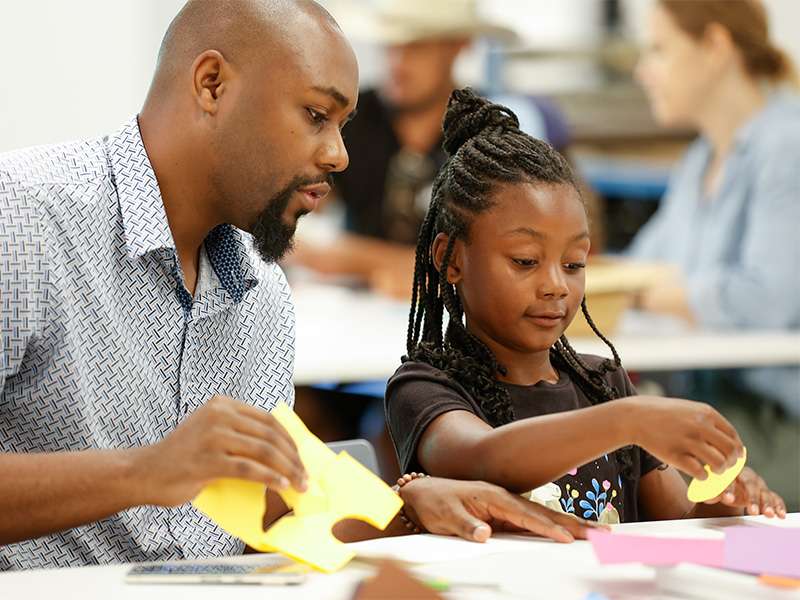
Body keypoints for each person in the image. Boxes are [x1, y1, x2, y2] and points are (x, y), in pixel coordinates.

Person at [0, 0, 601, 571]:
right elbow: (162, 478)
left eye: (343, 125)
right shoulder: (24, 219)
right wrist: (142, 473)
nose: (339, 155)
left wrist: (402, 509)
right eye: (316, 115)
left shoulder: (261, 292)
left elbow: (264, 505)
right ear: (212, 84)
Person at [385, 87, 786, 525]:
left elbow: (675, 520)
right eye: (525, 261)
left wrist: (720, 502)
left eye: (574, 263)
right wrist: (629, 419)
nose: (556, 285)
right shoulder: (425, 388)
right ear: (450, 259)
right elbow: (483, 459)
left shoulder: (603, 385)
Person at [627, 0, 800, 508]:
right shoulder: (701, 157)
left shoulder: (786, 146)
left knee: (615, 463)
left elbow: (765, 297)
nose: (643, 70)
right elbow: (640, 266)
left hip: (775, 422)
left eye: (658, 49)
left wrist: (647, 295)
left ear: (716, 47)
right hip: (714, 412)